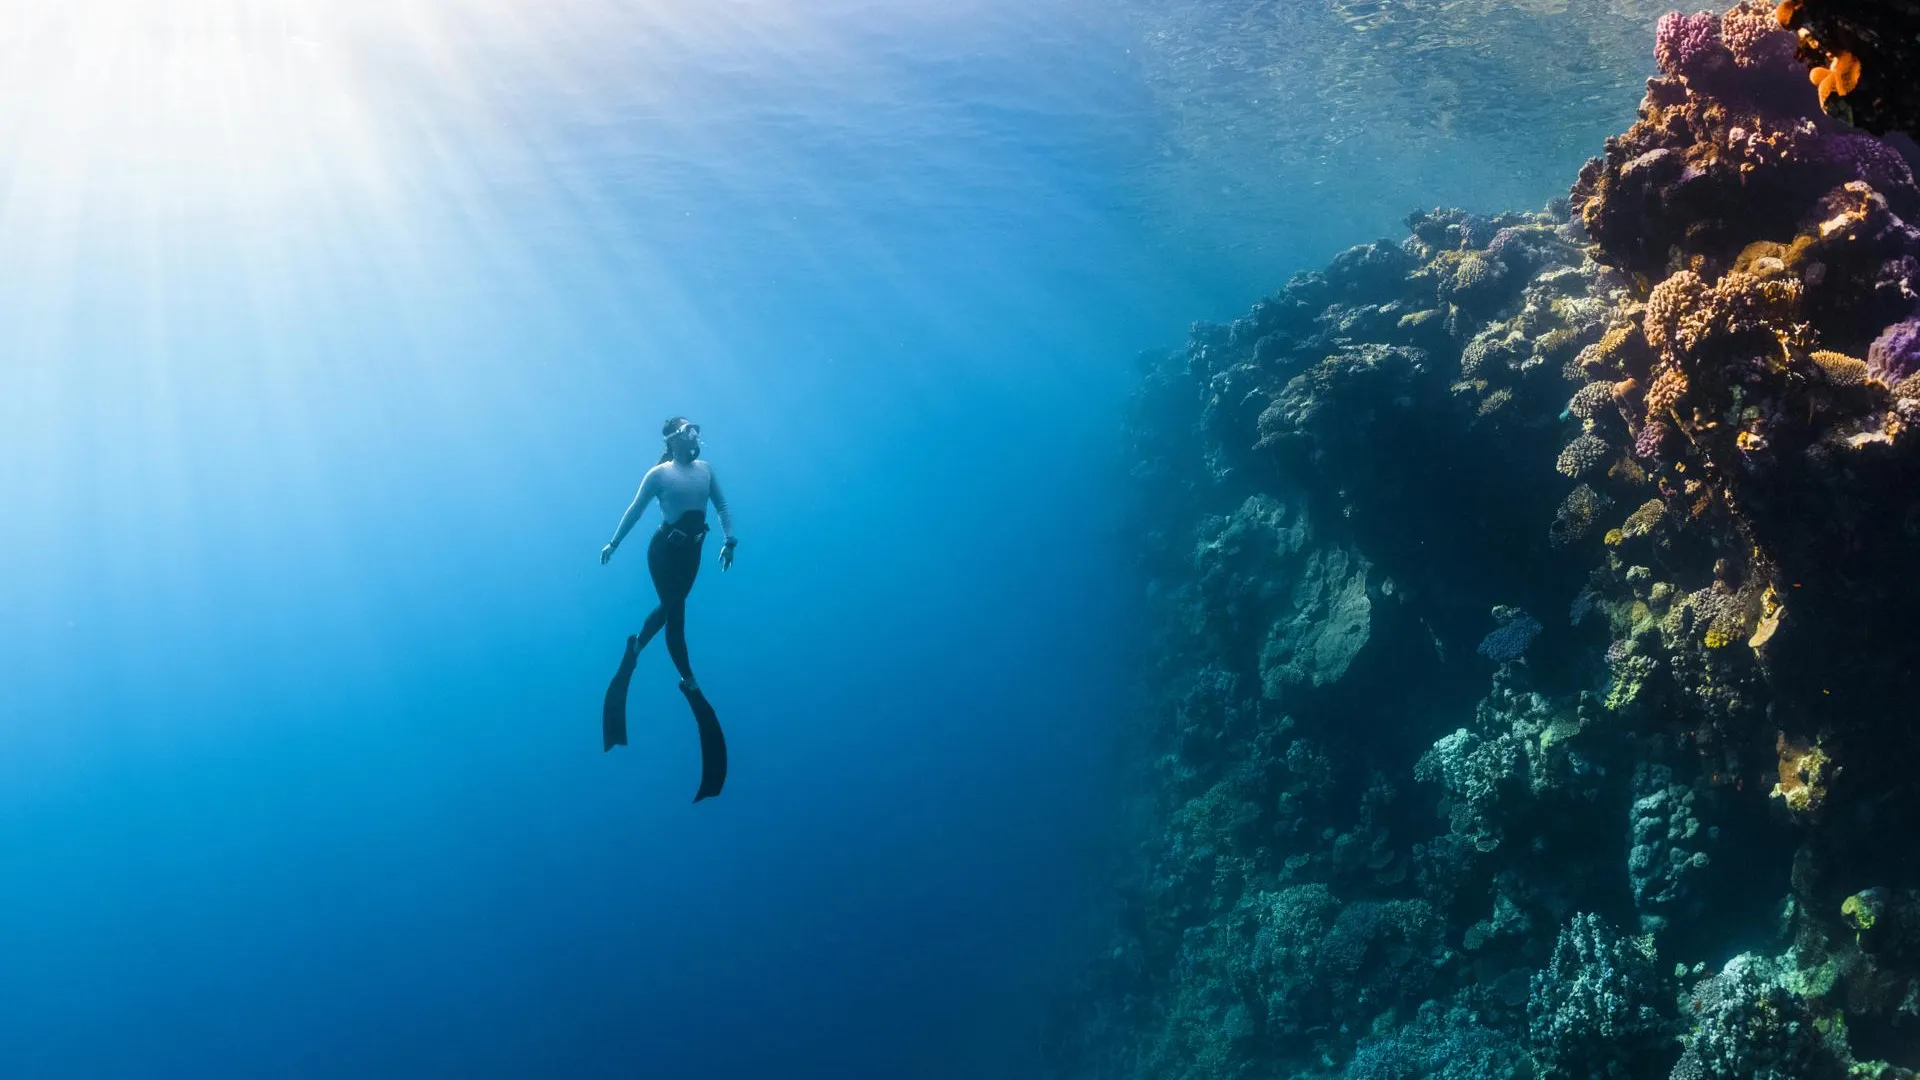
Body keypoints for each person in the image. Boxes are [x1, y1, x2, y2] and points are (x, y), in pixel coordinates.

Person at [599, 416, 737, 801]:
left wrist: (730, 540)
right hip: (663, 553)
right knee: (676, 614)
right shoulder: (658, 474)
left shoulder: (706, 470)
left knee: (671, 607)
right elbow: (635, 511)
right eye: (689, 428)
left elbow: (722, 505)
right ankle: (688, 679)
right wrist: (613, 543)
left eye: (697, 428)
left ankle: (637, 647)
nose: (696, 434)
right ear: (673, 437)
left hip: (693, 553)